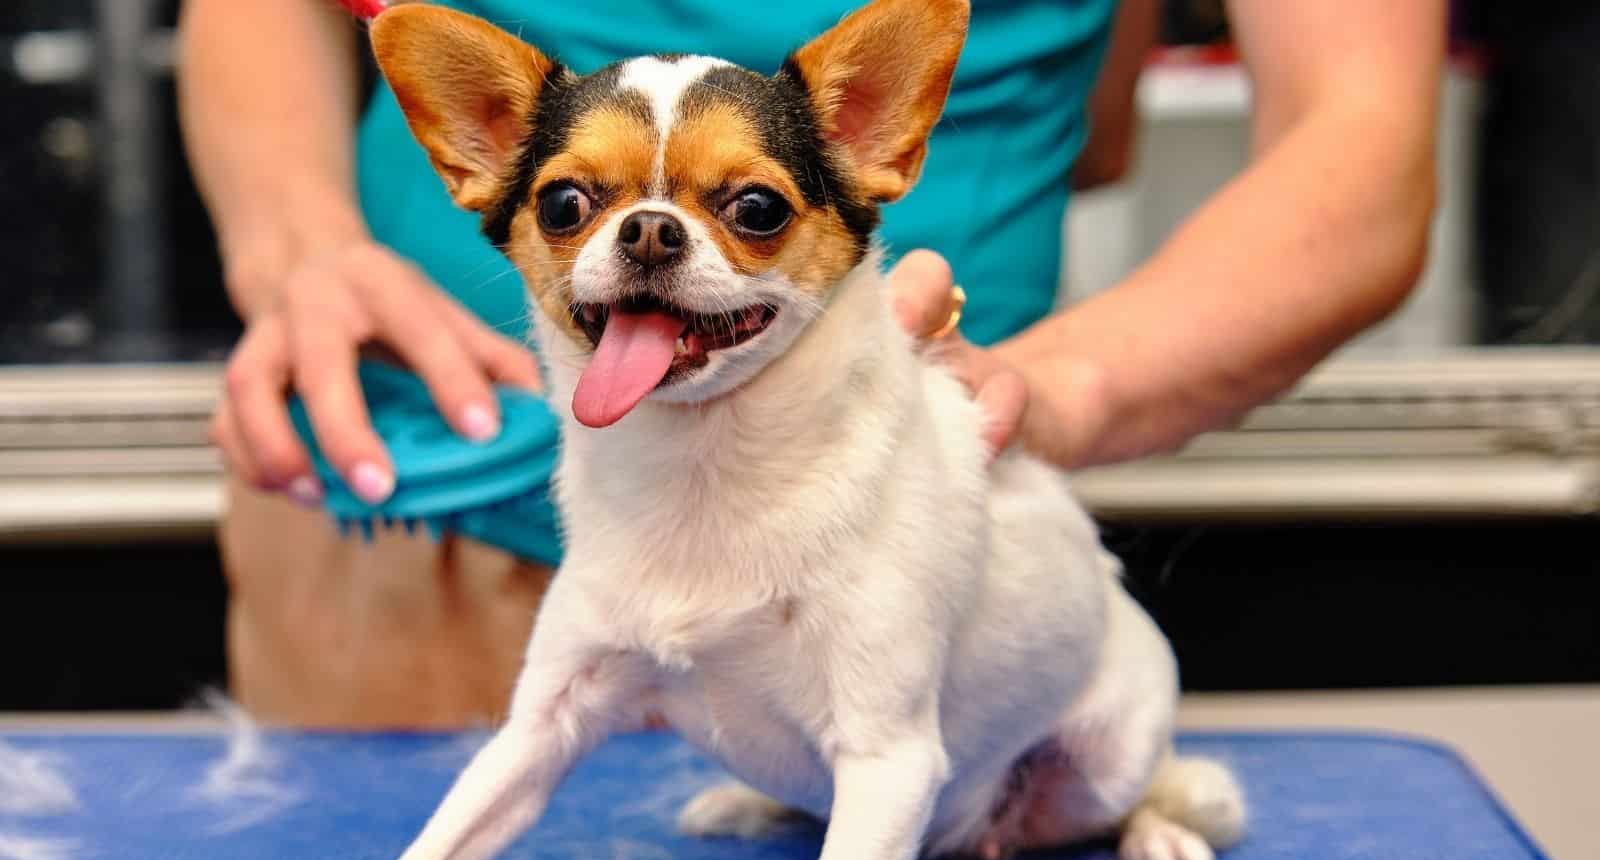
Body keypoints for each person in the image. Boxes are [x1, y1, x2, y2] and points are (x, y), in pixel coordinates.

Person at [177, 0, 1443, 728]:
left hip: (892, 553)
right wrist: (298, 247)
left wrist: (1053, 390)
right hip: (410, 515)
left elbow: (1358, 145)